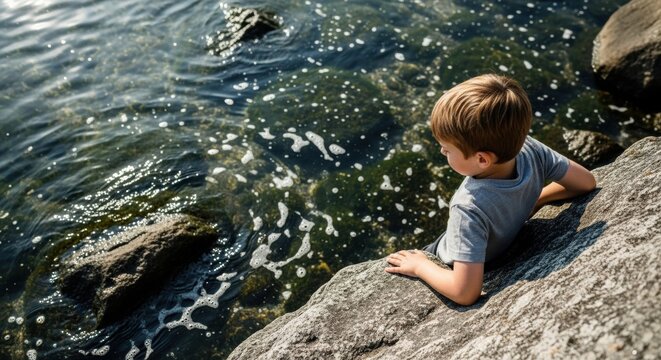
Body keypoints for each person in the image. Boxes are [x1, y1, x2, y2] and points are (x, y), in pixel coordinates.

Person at [384, 74, 596, 305]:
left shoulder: (468, 207)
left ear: (482, 159)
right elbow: (586, 182)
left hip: (452, 261)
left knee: (415, 256)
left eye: (446, 149)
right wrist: (535, 199)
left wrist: (421, 266)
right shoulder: (530, 148)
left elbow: (465, 292)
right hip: (498, 242)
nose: (442, 153)